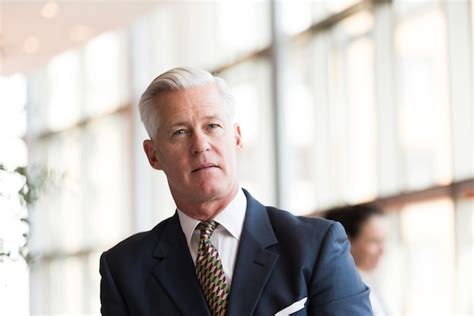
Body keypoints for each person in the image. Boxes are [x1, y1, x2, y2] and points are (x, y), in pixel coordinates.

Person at [99, 67, 372, 315]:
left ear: (237, 137)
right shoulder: (125, 269)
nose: (200, 145)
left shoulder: (315, 245)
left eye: (212, 126)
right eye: (180, 132)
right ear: (153, 155)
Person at [324, 203, 387, 316]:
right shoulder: (338, 294)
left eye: (383, 241)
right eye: (374, 241)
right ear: (345, 242)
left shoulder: (369, 279)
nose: (383, 250)